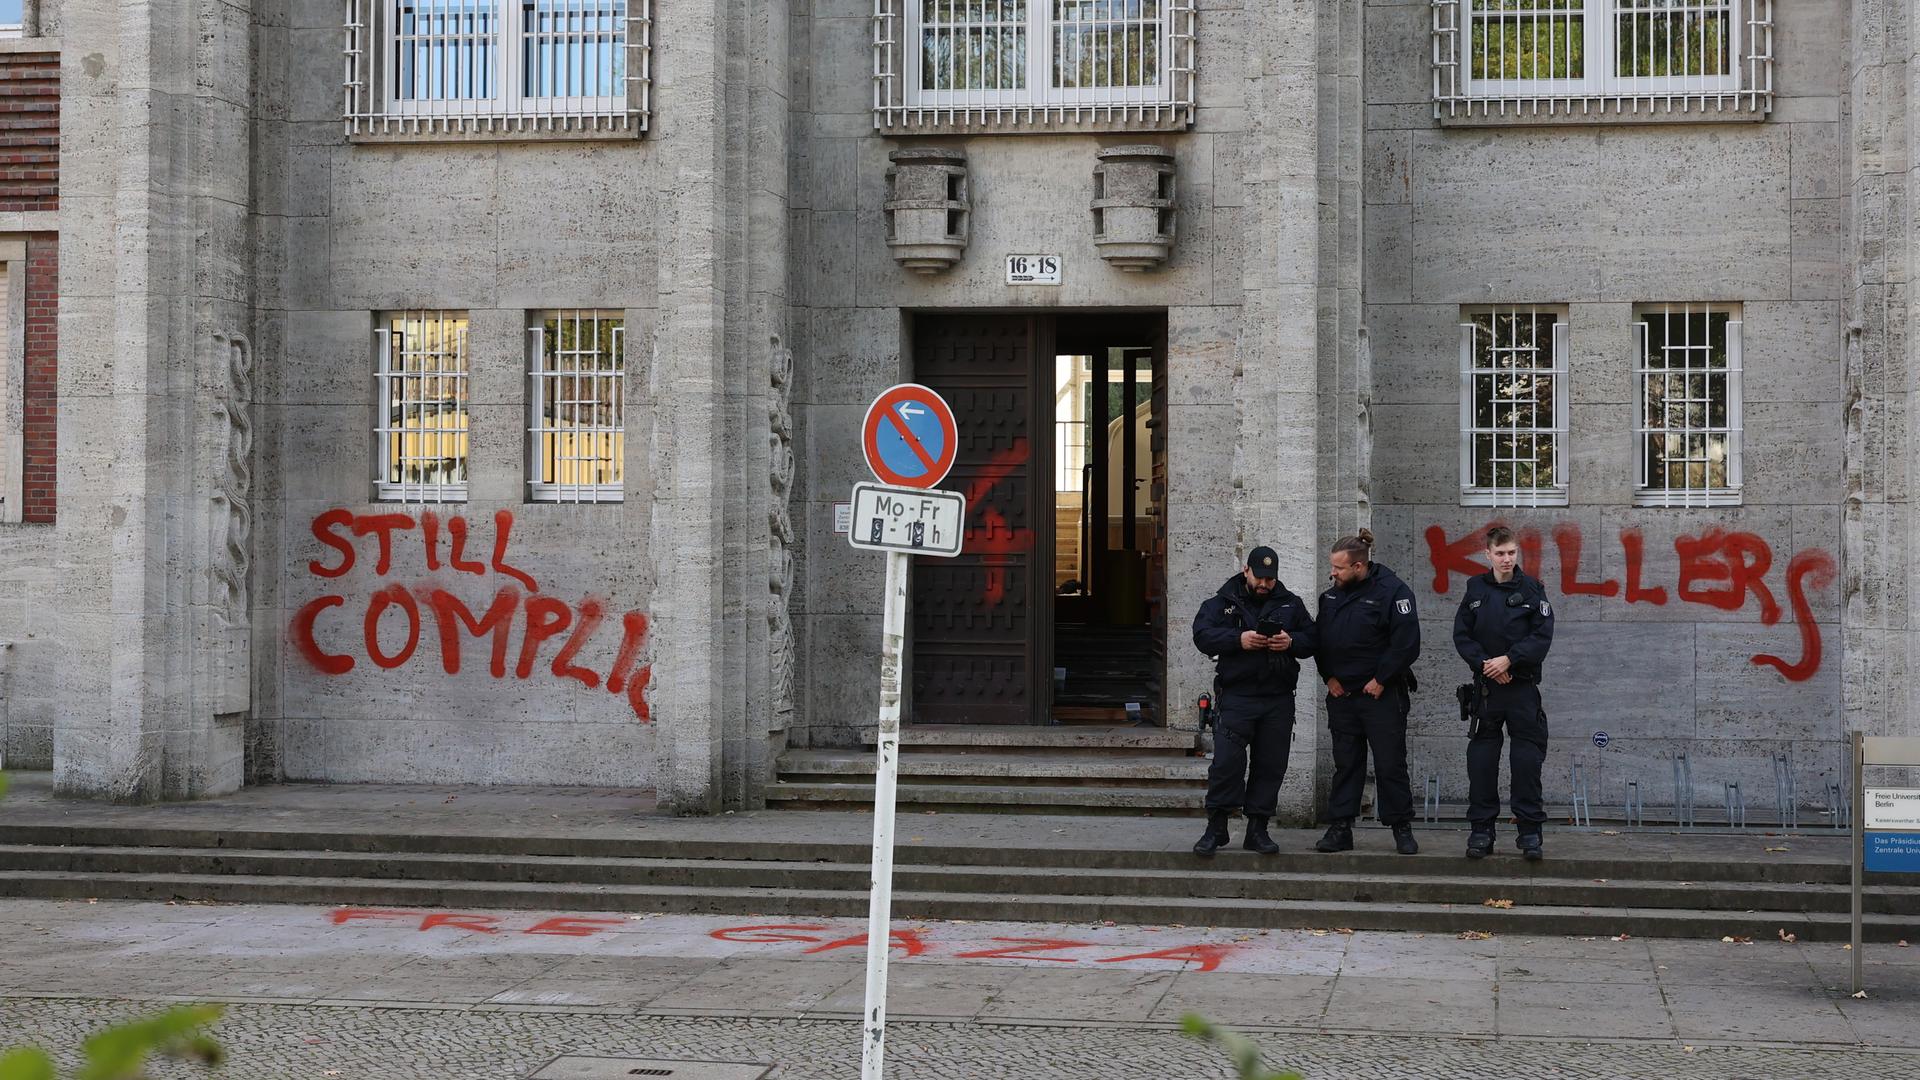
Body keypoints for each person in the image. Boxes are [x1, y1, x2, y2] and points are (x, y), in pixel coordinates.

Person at [1189, 545, 1317, 856]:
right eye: (1259, 578)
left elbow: (1313, 639)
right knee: (1227, 764)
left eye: (1270, 580)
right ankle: (1216, 827)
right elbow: (1202, 635)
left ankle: (1257, 829)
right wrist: (1239, 640)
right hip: (1237, 696)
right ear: (1246, 570)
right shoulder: (1222, 602)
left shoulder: (1291, 603)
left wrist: (1291, 641)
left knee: (1271, 764)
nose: (1264, 585)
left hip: (1277, 698)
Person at [1312, 529, 1421, 855]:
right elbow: (1321, 640)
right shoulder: (1330, 596)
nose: (1332, 573)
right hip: (1343, 696)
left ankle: (1401, 827)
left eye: (1339, 568)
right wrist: (1328, 676)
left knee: (1390, 764)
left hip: (1381, 695)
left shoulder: (1393, 592)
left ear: (1359, 566)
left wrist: (1382, 679)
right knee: (1346, 764)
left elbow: (1406, 644)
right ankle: (1340, 828)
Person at [1452, 525, 1556, 861]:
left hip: (1521, 688)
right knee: (1481, 763)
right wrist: (1487, 665)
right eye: (1500, 553)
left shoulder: (1532, 590)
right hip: (1486, 691)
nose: (1507, 559)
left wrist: (1510, 659)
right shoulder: (1475, 588)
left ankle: (1529, 834)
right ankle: (1482, 832)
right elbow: (1462, 635)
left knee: (1526, 762)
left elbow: (1542, 636)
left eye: (1511, 552)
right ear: (1488, 555)